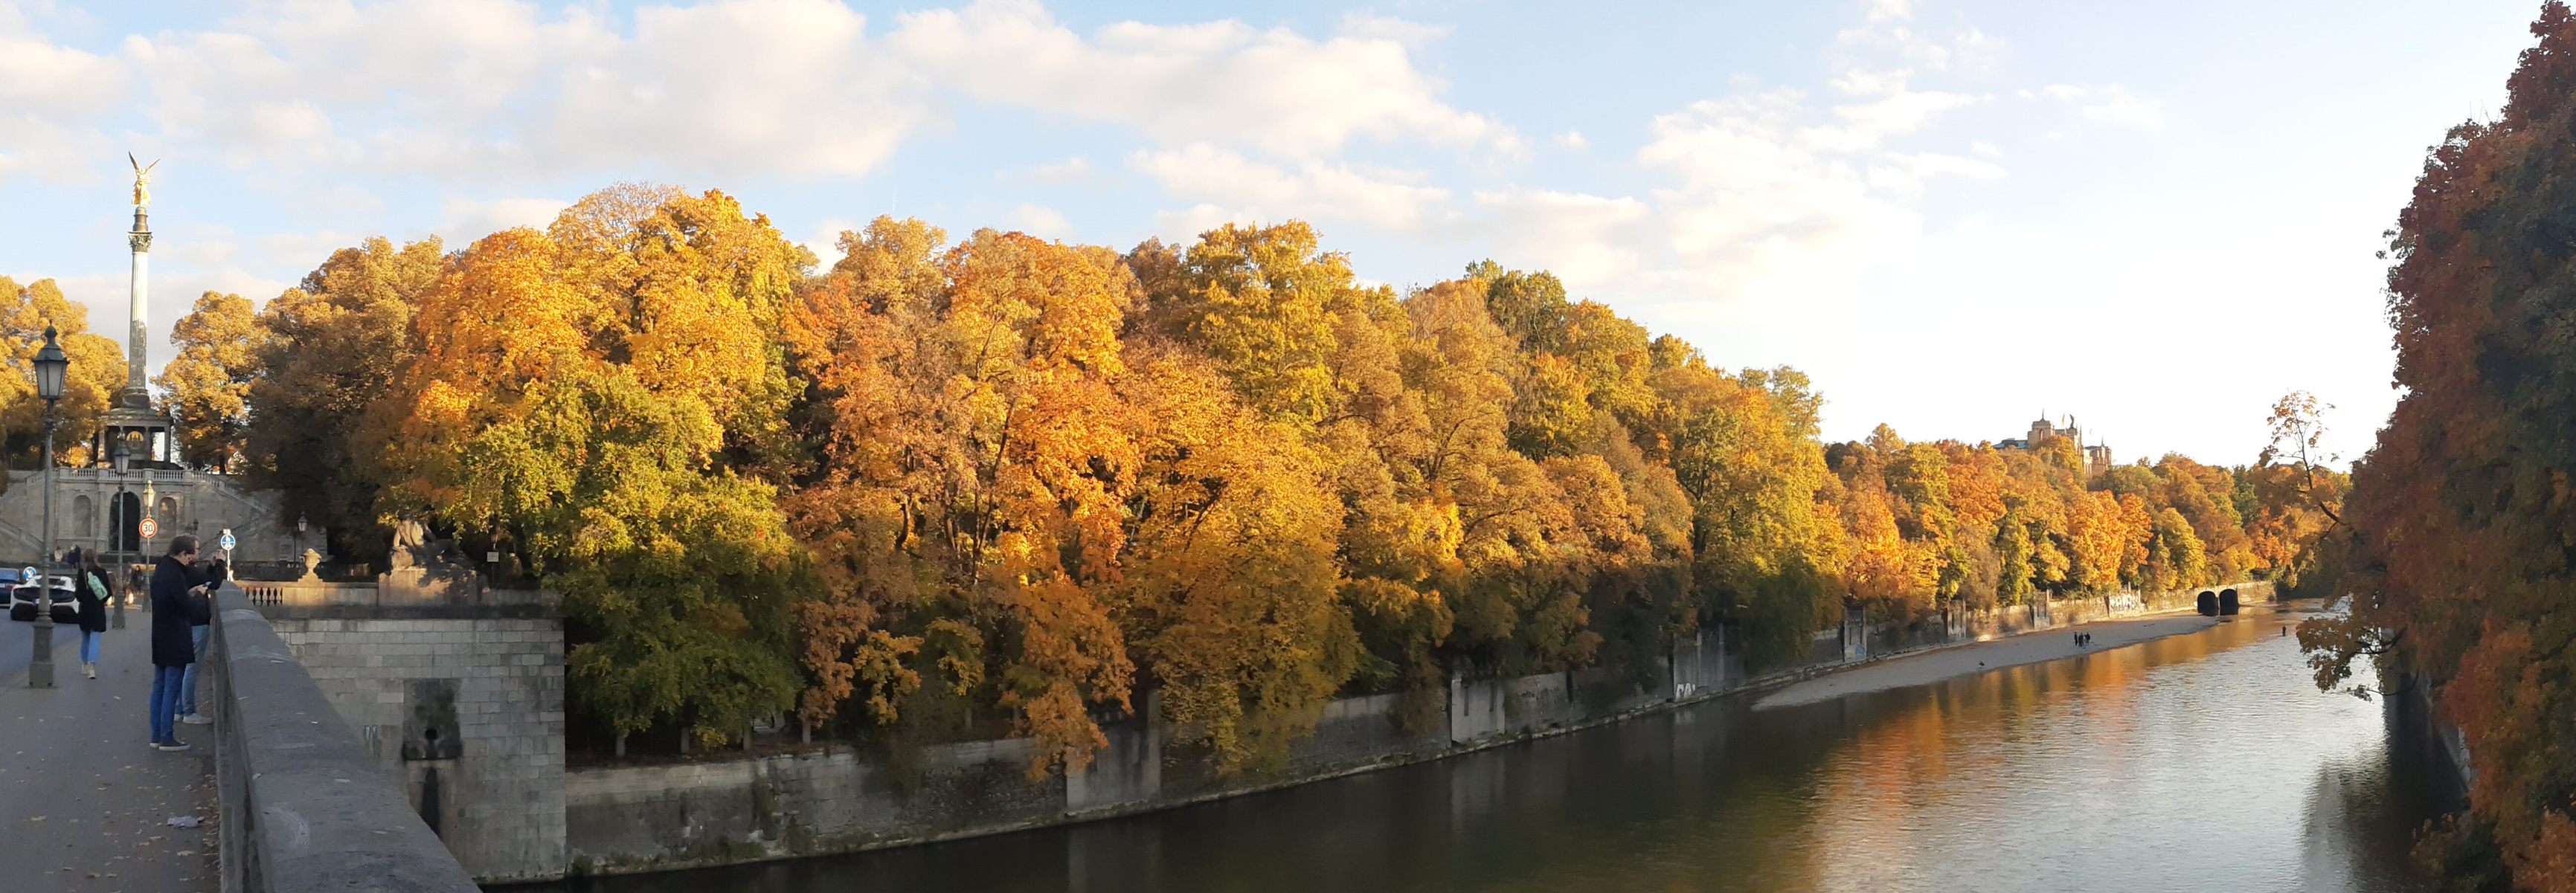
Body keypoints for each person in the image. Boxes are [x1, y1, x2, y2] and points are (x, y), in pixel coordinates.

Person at [149, 535, 209, 751]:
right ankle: (167, 737)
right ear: (183, 554)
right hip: (174, 636)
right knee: (171, 687)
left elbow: (171, 600)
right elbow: (187, 608)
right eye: (189, 555)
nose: (190, 561)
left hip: (160, 634)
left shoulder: (162, 569)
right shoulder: (174, 574)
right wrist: (199, 595)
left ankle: (156, 735)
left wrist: (188, 593)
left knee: (159, 686)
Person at [173, 556, 223, 726]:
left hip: (184, 623)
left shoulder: (177, 572)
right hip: (197, 623)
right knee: (191, 668)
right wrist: (220, 564)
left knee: (183, 667)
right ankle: (188, 711)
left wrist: (210, 568)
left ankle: (179, 709)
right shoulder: (191, 573)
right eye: (195, 550)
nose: (198, 553)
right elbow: (216, 582)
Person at [68, 547, 110, 679]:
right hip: (97, 609)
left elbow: (78, 594)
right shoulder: (102, 572)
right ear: (96, 558)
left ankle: (85, 664)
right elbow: (108, 592)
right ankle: (92, 667)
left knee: (85, 638)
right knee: (95, 638)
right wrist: (101, 599)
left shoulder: (82, 573)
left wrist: (84, 598)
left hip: (85, 609)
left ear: (84, 559)